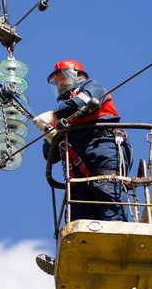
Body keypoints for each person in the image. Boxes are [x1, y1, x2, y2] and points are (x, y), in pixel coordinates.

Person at [32, 59, 133, 222]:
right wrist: (50, 138)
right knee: (80, 218)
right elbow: (51, 156)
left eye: (62, 78)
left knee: (107, 195)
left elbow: (84, 102)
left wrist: (53, 115)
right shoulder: (64, 115)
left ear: (77, 75)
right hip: (77, 170)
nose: (59, 85)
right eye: (56, 82)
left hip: (102, 149)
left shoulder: (92, 87)